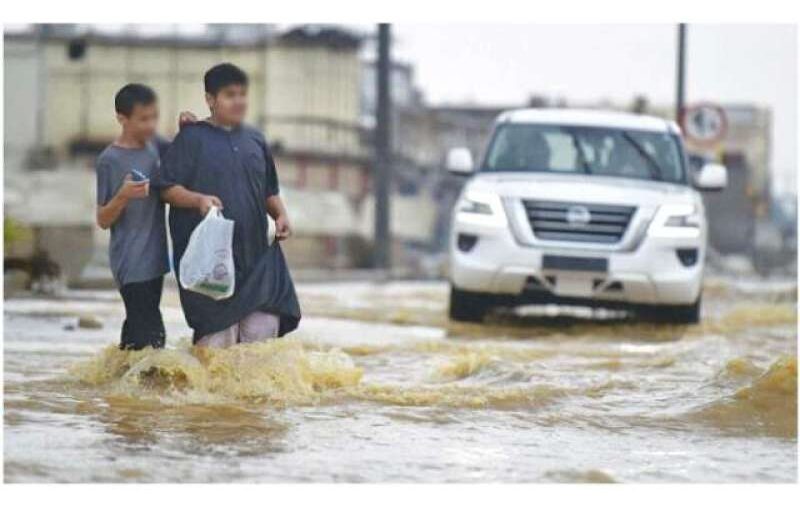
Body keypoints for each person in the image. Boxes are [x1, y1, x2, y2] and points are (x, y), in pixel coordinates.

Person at [152, 63, 301, 348]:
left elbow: (268, 190)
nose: (239, 101)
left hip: (256, 262)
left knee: (261, 346)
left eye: (243, 94)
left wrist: (281, 214)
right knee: (215, 352)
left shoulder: (255, 139)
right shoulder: (191, 138)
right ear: (210, 100)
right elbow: (165, 189)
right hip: (211, 265)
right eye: (230, 95)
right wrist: (198, 200)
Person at [95, 83, 195, 350]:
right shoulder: (110, 160)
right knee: (152, 338)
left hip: (156, 260)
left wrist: (188, 130)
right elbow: (103, 219)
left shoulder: (155, 145)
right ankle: (144, 385)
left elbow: (184, 155)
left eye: (154, 117)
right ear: (122, 118)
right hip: (130, 262)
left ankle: (114, 385)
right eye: (143, 119)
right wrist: (123, 195)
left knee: (137, 332)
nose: (151, 125)